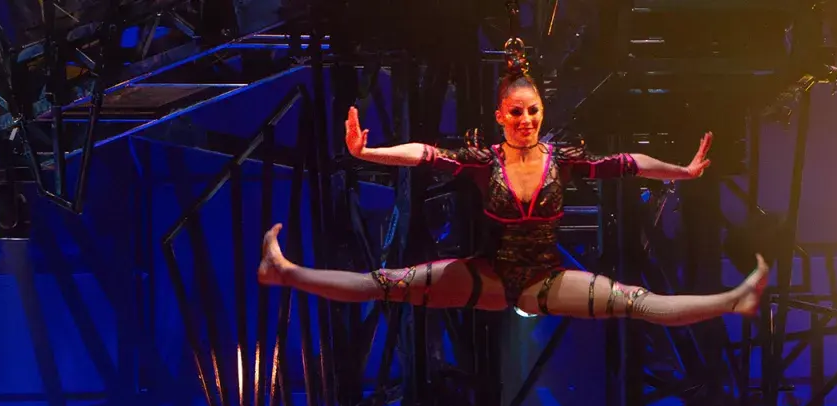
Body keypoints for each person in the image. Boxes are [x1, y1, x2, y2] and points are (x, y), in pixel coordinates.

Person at [256, 43, 769, 325]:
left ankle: (735, 299)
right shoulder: (484, 162)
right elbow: (425, 154)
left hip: (545, 279)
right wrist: (368, 153)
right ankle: (284, 271)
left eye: (534, 111)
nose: (527, 120)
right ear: (500, 115)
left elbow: (628, 162)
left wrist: (681, 171)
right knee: (385, 283)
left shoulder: (562, 160)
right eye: (517, 112)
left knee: (634, 300)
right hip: (488, 276)